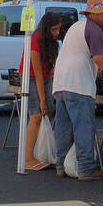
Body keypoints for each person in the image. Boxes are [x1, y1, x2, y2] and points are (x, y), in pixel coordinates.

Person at [51, 0, 103, 180]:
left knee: (63, 127)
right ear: (94, 13)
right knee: (83, 126)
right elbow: (99, 59)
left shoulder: (77, 26)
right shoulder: (93, 29)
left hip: (62, 82)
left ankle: (60, 164)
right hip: (78, 84)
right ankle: (86, 168)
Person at [21, 11, 64, 171]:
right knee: (36, 115)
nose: (57, 33)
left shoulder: (51, 42)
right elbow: (37, 74)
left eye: (58, 29)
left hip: (44, 77)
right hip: (31, 77)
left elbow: (48, 70)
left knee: (47, 113)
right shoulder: (34, 41)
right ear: (46, 28)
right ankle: (27, 158)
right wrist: (42, 100)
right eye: (54, 29)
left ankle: (39, 152)